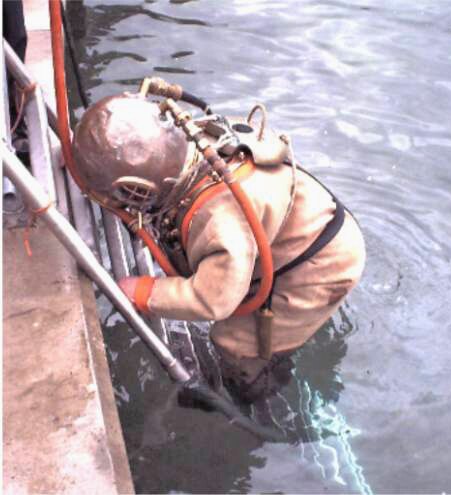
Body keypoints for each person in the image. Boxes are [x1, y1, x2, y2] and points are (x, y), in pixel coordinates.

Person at [72, 88, 366, 403]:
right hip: (304, 227)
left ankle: (256, 392)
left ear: (136, 190)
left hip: (322, 265)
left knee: (235, 342)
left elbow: (214, 300)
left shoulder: (220, 219)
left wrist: (144, 293)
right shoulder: (189, 146)